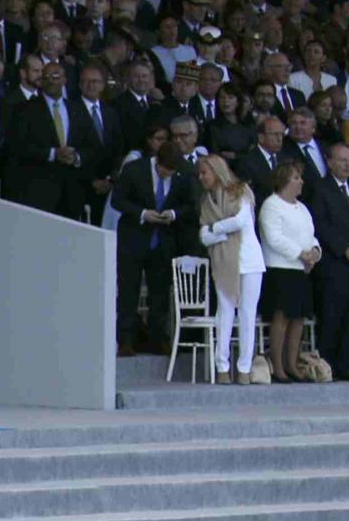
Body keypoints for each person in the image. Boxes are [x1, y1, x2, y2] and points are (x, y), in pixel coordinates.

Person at [111, 140, 195, 357]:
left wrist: (173, 214)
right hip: (134, 239)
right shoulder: (134, 169)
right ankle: (125, 340)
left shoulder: (185, 171)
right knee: (129, 290)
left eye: (171, 172)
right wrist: (142, 213)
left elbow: (191, 204)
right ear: (157, 161)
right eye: (164, 171)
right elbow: (118, 200)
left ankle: (158, 339)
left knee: (160, 292)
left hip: (163, 241)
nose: (167, 175)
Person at [194, 154, 266, 384]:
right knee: (224, 313)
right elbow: (203, 238)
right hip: (224, 262)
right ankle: (222, 367)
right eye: (200, 173)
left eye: (205, 172)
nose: (201, 177)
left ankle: (244, 368)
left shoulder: (241, 191)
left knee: (247, 314)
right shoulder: (207, 201)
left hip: (250, 261)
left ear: (217, 171)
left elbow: (241, 221)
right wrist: (219, 232)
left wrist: (216, 229)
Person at [306, 141, 349, 380]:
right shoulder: (320, 188)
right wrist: (346, 251)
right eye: (342, 160)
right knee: (332, 316)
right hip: (335, 265)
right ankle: (328, 366)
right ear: (330, 162)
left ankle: (346, 366)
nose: (347, 164)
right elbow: (322, 225)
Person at [257, 158, 318, 382]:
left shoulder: (301, 207)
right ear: (284, 181)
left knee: (298, 318)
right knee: (281, 318)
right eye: (296, 178)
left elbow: (310, 235)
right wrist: (301, 254)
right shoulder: (271, 205)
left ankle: (292, 364)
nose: (301, 181)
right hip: (280, 270)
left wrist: (314, 253)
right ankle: (278, 365)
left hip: (301, 270)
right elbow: (274, 238)